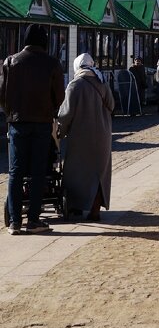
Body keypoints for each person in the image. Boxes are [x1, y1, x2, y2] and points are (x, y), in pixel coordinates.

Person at [0, 24, 65, 235]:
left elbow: (2, 94)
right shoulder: (52, 64)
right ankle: (34, 220)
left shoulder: (10, 61)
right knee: (38, 172)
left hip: (17, 122)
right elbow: (60, 95)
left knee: (15, 171)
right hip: (41, 122)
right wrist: (50, 110)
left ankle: (15, 221)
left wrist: (11, 113)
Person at [57, 53, 115, 222]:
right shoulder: (102, 82)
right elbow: (111, 105)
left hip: (81, 136)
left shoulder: (74, 85)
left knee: (76, 172)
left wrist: (61, 132)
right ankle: (95, 209)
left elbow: (65, 114)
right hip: (103, 135)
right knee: (98, 174)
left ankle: (75, 206)